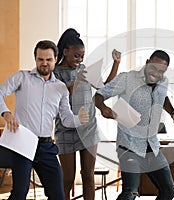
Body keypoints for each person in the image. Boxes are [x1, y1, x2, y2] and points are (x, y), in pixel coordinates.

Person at [0, 40, 89, 200]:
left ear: (55, 59)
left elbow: (66, 119)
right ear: (35, 59)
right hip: (23, 145)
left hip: (46, 146)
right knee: (20, 193)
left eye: (48, 59)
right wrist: (6, 113)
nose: (44, 63)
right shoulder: (22, 77)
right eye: (40, 59)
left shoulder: (61, 88)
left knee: (58, 195)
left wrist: (79, 119)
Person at [94, 50, 174, 200]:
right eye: (153, 67)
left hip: (152, 145)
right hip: (129, 145)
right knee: (130, 193)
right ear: (147, 62)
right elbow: (99, 95)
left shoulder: (163, 82)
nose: (156, 73)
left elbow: (163, 97)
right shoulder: (127, 78)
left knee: (170, 190)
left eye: (161, 71)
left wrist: (173, 113)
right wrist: (103, 108)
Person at [54, 28, 121, 200]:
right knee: (67, 179)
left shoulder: (84, 69)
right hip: (65, 130)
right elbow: (59, 96)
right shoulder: (55, 73)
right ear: (65, 52)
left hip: (88, 128)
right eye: (76, 55)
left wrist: (116, 63)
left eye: (82, 56)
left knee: (88, 176)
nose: (79, 60)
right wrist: (76, 81)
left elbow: (104, 86)